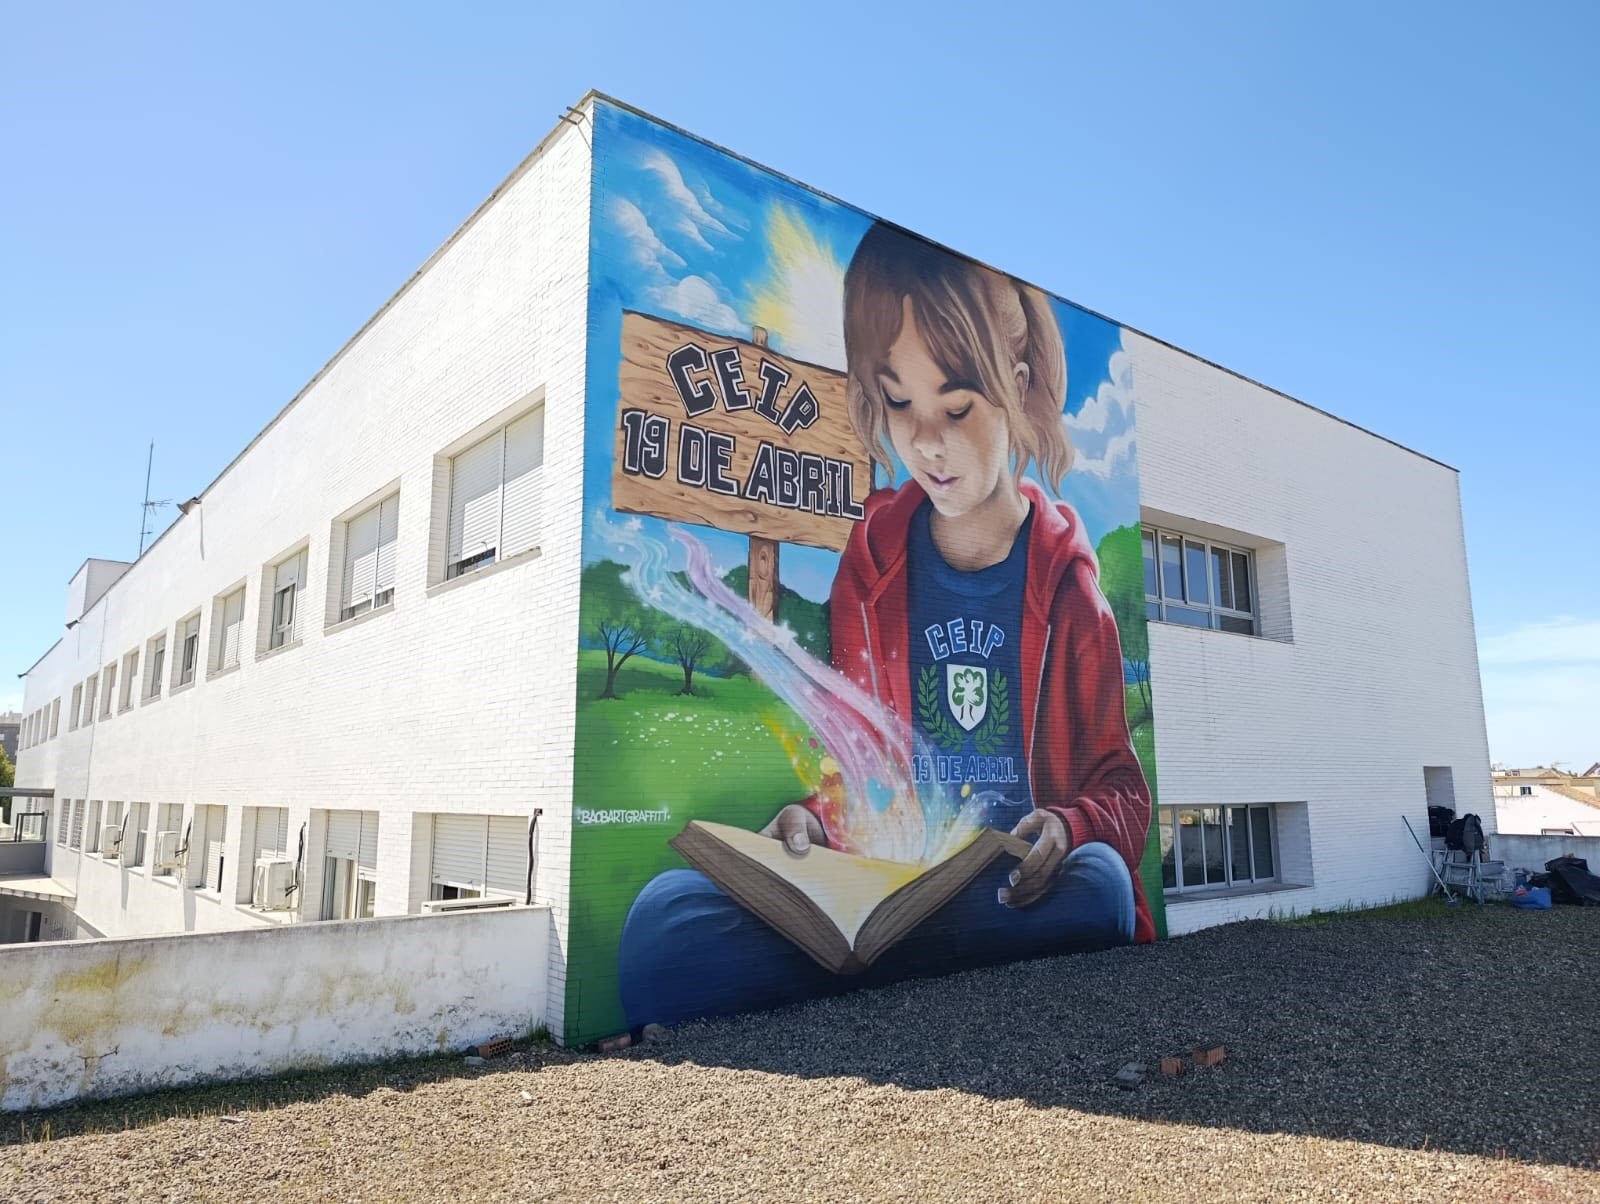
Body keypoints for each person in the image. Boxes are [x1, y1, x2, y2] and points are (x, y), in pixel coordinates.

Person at [618, 223, 1151, 1028]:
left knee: (1102, 888)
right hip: (883, 886)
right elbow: (858, 770)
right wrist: (812, 821)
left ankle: (876, 983)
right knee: (665, 918)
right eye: (898, 403)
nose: (926, 443)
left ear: (1018, 380)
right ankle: (906, 976)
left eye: (957, 406)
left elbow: (1121, 793)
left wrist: (1070, 826)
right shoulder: (869, 570)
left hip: (1005, 892)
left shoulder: (1073, 591)